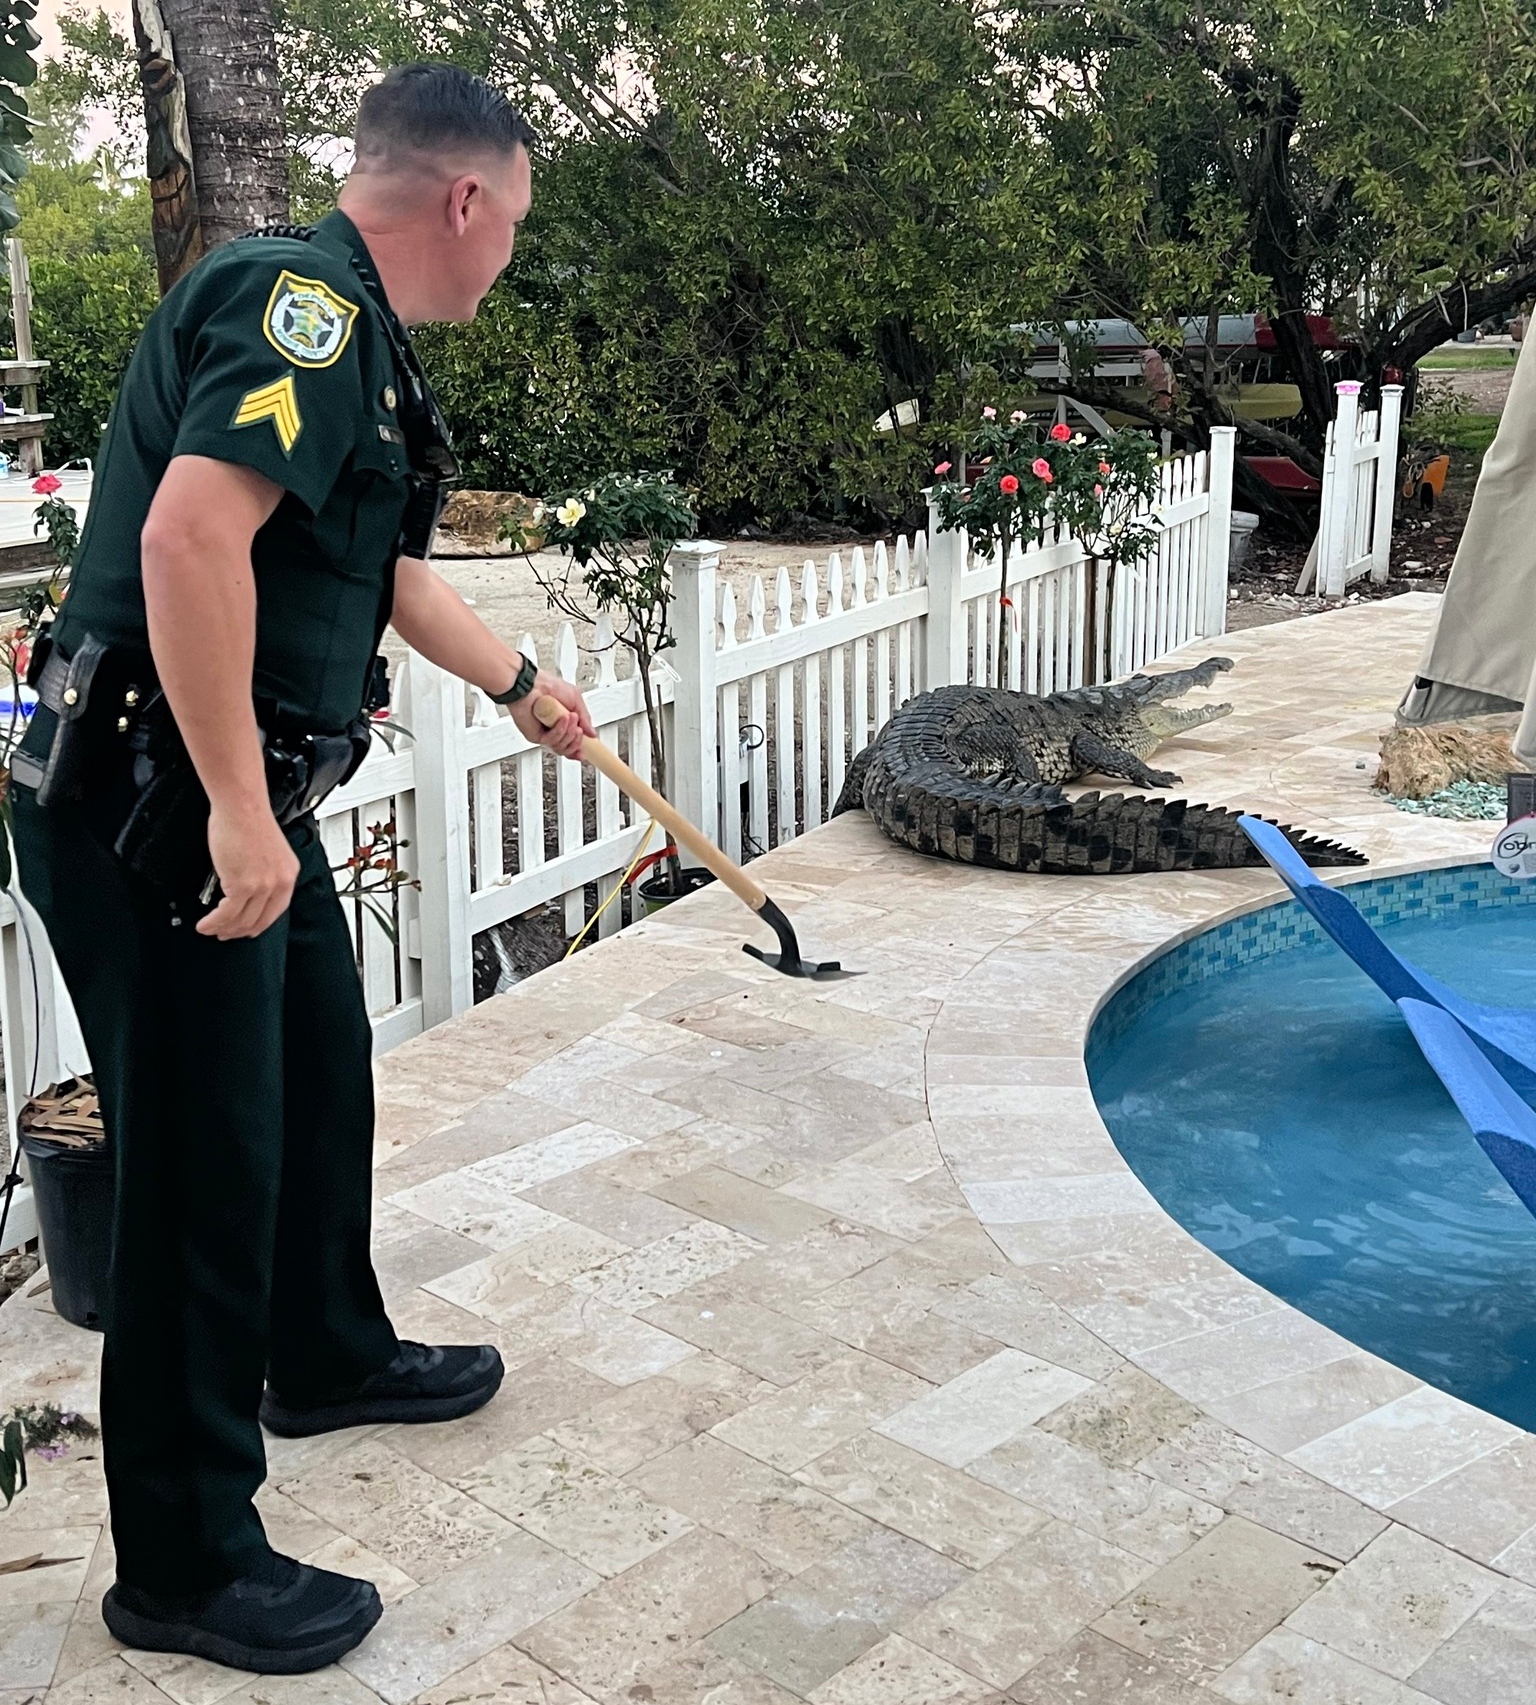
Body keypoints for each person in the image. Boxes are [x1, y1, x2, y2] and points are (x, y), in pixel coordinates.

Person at [7, 65, 591, 1674]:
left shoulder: (354, 347)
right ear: (463, 200)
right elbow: (188, 540)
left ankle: (322, 1352)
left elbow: (379, 565)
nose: (508, 257)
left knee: (317, 1066)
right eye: (516, 224)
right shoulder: (303, 312)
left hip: (213, 781)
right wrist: (236, 816)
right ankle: (185, 1561)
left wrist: (520, 684)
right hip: (161, 792)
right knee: (202, 1158)